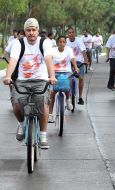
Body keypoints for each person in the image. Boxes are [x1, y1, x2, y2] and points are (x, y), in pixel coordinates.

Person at [2, 18, 57, 149]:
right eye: (28, 30)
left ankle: (43, 136)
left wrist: (52, 76)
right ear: (25, 31)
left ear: (37, 30)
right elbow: (13, 61)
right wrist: (8, 76)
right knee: (16, 105)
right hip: (22, 81)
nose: (31, 33)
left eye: (33, 30)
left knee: (43, 105)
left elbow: (49, 59)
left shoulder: (45, 42)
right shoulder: (18, 43)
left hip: (41, 80)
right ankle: (21, 124)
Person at [48, 36, 79, 123]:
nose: (62, 44)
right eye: (60, 42)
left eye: (63, 42)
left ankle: (68, 100)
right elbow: (49, 60)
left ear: (65, 43)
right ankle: (50, 115)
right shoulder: (53, 50)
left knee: (66, 87)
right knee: (52, 93)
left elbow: (72, 59)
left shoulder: (68, 49)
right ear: (58, 42)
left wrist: (76, 67)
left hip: (66, 72)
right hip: (55, 73)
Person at [66, 27, 89, 105]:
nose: (71, 34)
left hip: (79, 62)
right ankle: (68, 97)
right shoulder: (66, 41)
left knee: (81, 78)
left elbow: (83, 50)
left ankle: (80, 97)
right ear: (68, 34)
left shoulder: (79, 40)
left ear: (74, 33)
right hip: (69, 62)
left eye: (72, 32)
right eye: (69, 32)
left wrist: (86, 60)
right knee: (67, 79)